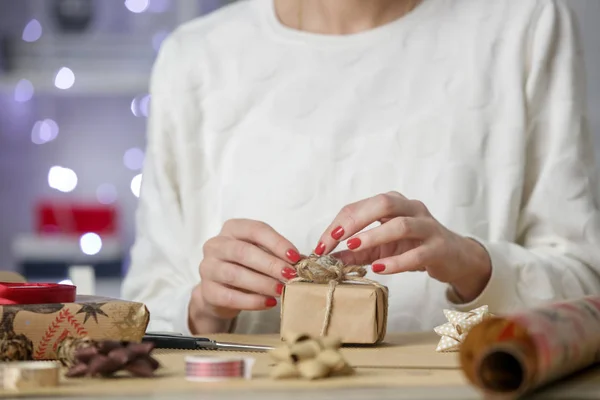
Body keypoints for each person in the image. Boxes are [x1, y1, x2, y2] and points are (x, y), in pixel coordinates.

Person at [121, 0, 600, 336]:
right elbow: (141, 313)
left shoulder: (526, 26)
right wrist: (204, 310)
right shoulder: (195, 57)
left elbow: (586, 289)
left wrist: (474, 265)